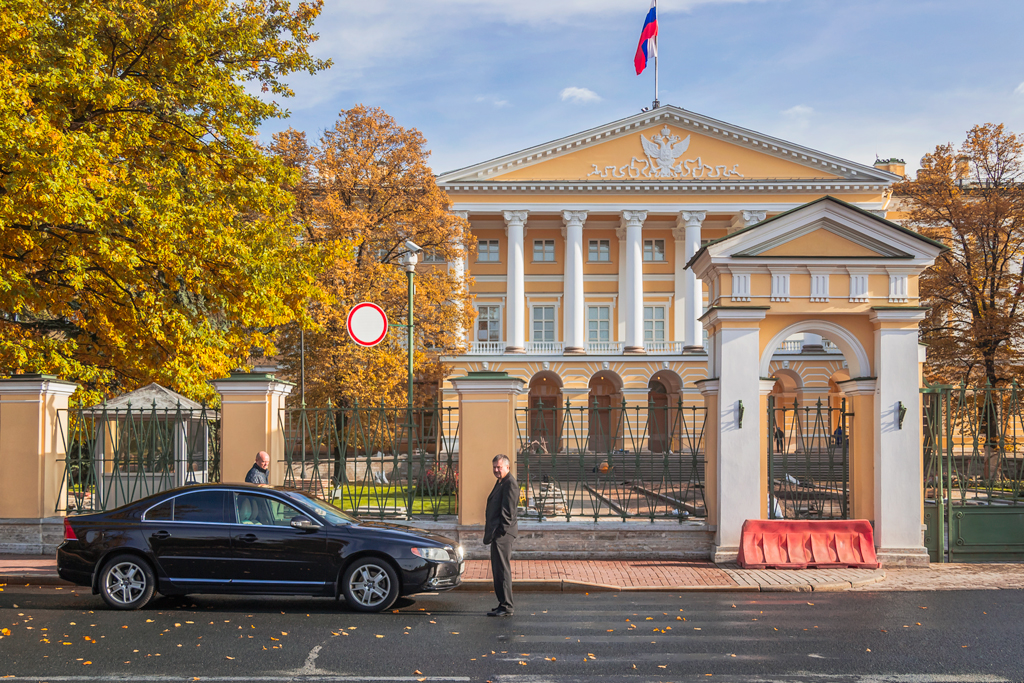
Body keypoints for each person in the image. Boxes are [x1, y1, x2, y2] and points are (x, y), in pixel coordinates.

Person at [484, 453, 518, 617]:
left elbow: (508, 513)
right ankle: (502, 603)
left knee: (503, 570)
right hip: (498, 533)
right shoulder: (501, 482)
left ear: (507, 467)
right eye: (494, 467)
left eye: (499, 467)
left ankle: (507, 606)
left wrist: (499, 533)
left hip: (503, 534)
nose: (496, 470)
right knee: (497, 570)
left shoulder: (510, 484)